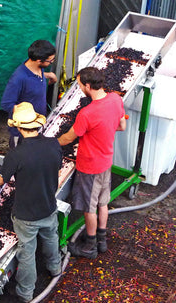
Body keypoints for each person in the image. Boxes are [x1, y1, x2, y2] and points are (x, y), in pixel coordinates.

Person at [0, 102, 62, 302]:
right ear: (37, 125)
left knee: (27, 252)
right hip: (49, 206)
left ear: (19, 128)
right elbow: (56, 166)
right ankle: (55, 268)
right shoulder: (54, 144)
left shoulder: (16, 154)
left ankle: (25, 293)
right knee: (51, 237)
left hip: (26, 215)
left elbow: (0, 180)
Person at [58, 67, 126, 259]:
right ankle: (101, 241)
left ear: (88, 85)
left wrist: (49, 143)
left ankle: (90, 246)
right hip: (106, 161)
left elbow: (68, 138)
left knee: (89, 207)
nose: (78, 87)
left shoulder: (86, 113)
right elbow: (122, 125)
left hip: (90, 167)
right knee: (103, 202)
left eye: (79, 84)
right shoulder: (115, 99)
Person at [1, 39, 57, 148]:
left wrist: (48, 75)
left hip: (37, 127)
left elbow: (33, 76)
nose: (52, 62)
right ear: (39, 60)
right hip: (23, 133)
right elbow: (6, 103)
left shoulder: (38, 68)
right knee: (20, 161)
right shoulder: (18, 78)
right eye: (50, 61)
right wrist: (25, 112)